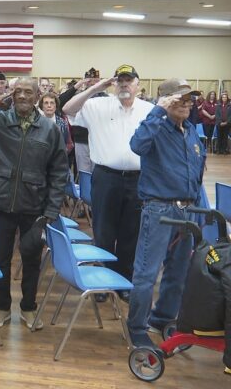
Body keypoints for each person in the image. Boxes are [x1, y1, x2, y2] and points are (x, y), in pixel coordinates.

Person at [0, 77, 67, 330]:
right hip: (1, 203)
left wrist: (50, 212)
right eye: (17, 92)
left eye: (28, 92)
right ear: (10, 95)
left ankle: (28, 308)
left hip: (34, 206)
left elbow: (59, 173)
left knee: (30, 260)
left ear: (38, 95)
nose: (22, 97)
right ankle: (2, 307)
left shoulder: (50, 130)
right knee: (2, 259)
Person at [63, 65, 153, 301]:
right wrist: (96, 87)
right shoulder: (96, 105)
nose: (124, 85)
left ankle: (123, 281)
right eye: (120, 81)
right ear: (114, 84)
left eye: (129, 81)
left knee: (130, 233)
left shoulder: (149, 110)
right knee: (103, 230)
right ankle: (103, 280)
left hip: (137, 179)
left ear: (137, 85)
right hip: (105, 177)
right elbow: (67, 108)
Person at [127, 78, 205, 348]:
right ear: (165, 100)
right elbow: (136, 146)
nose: (186, 103)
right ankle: (137, 328)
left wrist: (202, 211)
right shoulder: (155, 127)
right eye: (180, 98)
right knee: (147, 273)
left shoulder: (192, 131)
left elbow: (197, 174)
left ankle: (161, 319)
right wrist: (157, 111)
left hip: (188, 209)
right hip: (160, 209)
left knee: (179, 272)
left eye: (189, 98)